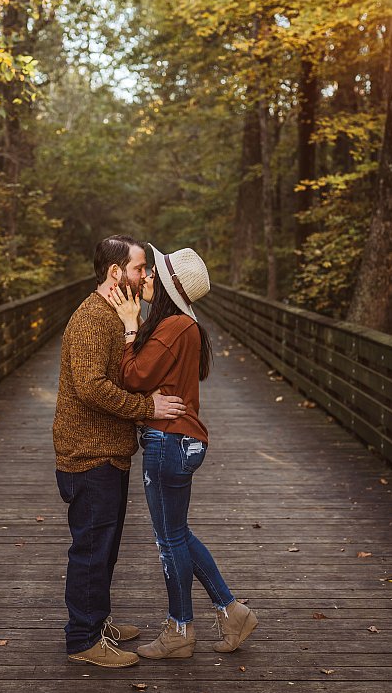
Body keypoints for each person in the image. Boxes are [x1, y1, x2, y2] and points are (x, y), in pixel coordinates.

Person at [107, 244, 258, 659]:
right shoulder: (183, 325)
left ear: (170, 287)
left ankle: (180, 630)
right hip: (181, 440)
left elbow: (132, 376)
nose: (147, 278)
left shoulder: (173, 326)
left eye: (154, 274)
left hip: (167, 440)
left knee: (168, 538)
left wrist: (129, 326)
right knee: (178, 534)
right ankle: (231, 611)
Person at [53, 235, 187, 668]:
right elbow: (91, 387)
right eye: (139, 268)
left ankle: (97, 622)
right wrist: (147, 408)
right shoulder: (93, 318)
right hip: (89, 453)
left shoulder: (116, 314)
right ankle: (83, 640)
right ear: (116, 273)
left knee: (104, 546)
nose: (146, 275)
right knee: (91, 548)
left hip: (108, 450)